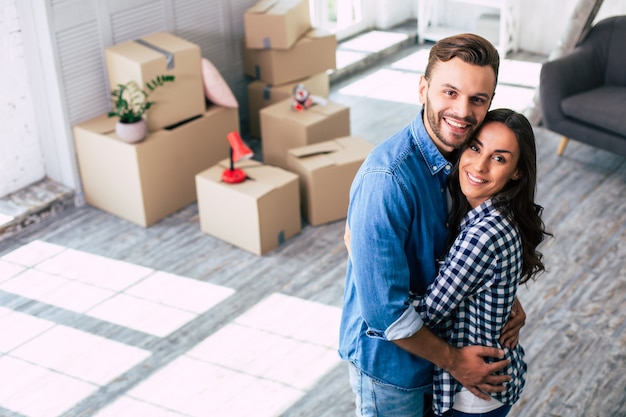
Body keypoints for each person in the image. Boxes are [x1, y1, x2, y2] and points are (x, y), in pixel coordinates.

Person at [339, 33, 527, 417]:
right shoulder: (388, 178)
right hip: (393, 370)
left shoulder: (465, 155)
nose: (462, 111)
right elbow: (385, 312)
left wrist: (507, 297)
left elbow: (463, 247)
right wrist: (456, 362)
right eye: (449, 92)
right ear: (423, 88)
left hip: (439, 356)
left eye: (478, 99)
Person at [408, 108, 550, 417]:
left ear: (517, 172)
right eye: (475, 147)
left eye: (499, 158)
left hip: (472, 392)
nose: (480, 165)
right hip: (496, 379)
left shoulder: (482, 234)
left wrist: (371, 279)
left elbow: (428, 313)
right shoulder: (495, 213)